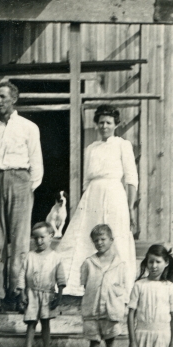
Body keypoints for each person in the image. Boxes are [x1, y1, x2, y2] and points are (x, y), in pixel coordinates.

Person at [0, 79, 43, 313]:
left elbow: (36, 162)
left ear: (14, 99)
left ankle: (18, 292)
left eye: (3, 97)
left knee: (19, 241)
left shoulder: (28, 127)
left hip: (20, 181)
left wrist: (25, 187)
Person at [60, 105, 137, 295]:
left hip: (114, 195)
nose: (104, 126)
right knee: (86, 235)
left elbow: (131, 179)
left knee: (115, 235)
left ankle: (119, 285)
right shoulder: (91, 149)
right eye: (101, 122)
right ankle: (82, 282)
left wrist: (130, 207)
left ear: (116, 124)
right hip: (92, 196)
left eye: (108, 123)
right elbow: (86, 181)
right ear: (96, 124)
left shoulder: (122, 145)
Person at [80, 224, 129, 347]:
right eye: (96, 240)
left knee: (111, 341)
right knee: (94, 342)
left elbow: (123, 286)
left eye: (103, 239)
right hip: (93, 309)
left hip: (111, 309)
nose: (99, 243)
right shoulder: (89, 263)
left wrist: (120, 304)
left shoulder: (120, 264)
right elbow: (85, 284)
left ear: (111, 240)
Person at [19, 222, 67, 347]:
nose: (39, 241)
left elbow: (61, 278)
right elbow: (22, 275)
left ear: (51, 236)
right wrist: (22, 293)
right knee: (31, 322)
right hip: (32, 294)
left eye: (42, 237)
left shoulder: (56, 257)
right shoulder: (29, 256)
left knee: (45, 322)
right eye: (36, 238)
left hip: (48, 294)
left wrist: (59, 296)